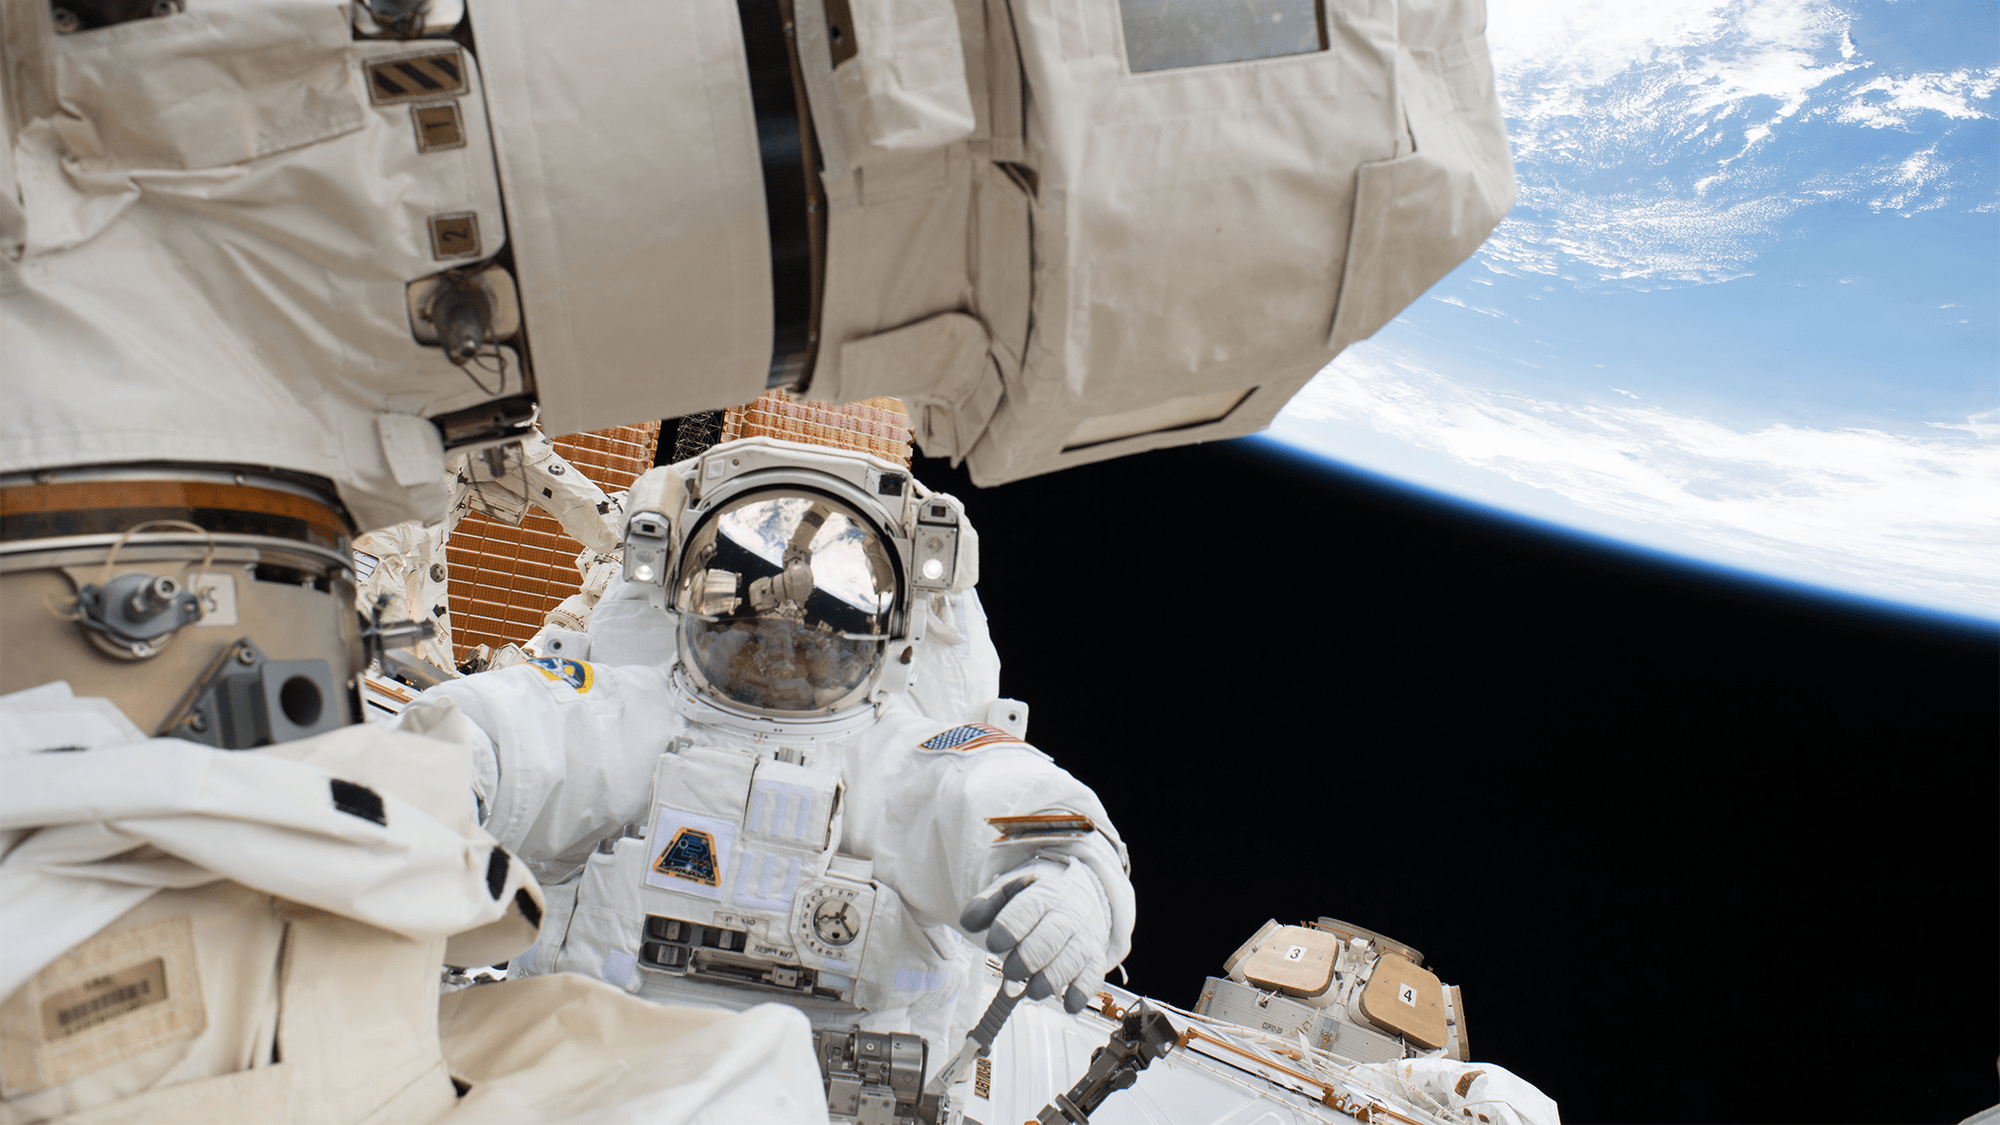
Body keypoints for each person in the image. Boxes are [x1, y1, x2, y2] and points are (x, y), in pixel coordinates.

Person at [397, 436, 1135, 1121]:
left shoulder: (901, 756)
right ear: (688, 597)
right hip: (590, 1092)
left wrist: (1069, 888)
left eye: (817, 620)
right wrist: (432, 787)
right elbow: (497, 729)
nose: (782, 636)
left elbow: (1033, 811)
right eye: (752, 611)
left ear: (888, 632)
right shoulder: (634, 708)